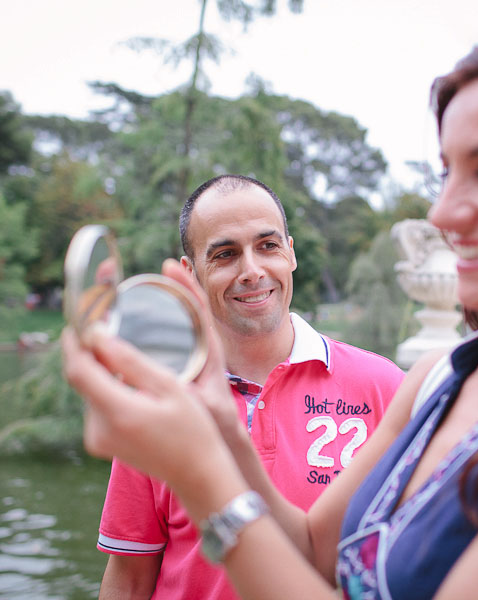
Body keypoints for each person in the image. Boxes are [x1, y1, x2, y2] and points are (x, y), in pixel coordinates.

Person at [65, 25, 478, 600]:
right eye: (447, 172)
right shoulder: (437, 379)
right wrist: (219, 426)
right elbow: (311, 551)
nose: (441, 213)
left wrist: (198, 475)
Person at [93, 175, 405, 599]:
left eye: (268, 246)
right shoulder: (160, 404)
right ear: (191, 274)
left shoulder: (384, 387)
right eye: (225, 254)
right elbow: (129, 578)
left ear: (291, 253)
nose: (252, 271)